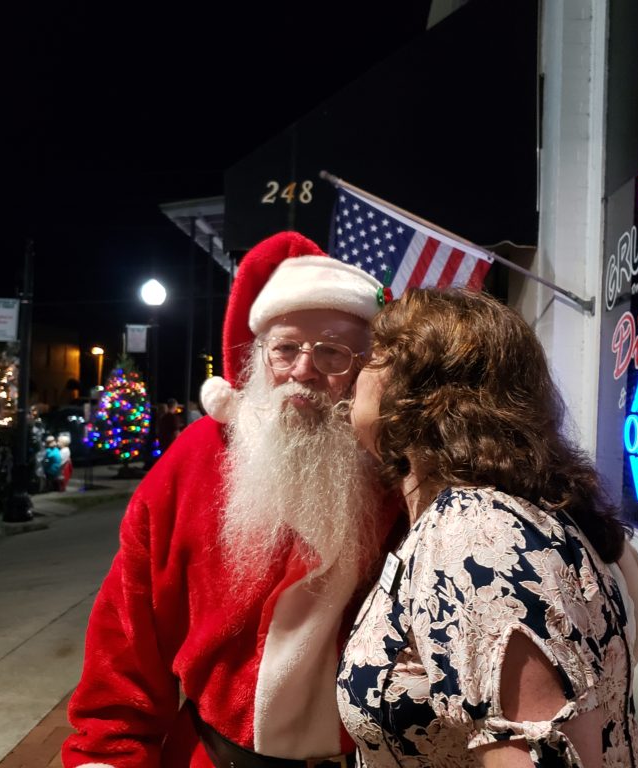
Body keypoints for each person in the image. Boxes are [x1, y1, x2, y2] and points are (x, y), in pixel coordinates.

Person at [63, 231, 403, 767]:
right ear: (259, 356)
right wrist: (109, 753)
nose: (303, 371)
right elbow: (127, 633)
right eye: (286, 348)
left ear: (367, 366)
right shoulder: (197, 459)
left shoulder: (400, 469)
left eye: (333, 352)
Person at [337, 288, 638, 768]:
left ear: (418, 390)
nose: (355, 376)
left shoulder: (479, 537)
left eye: (375, 358)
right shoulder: (512, 511)